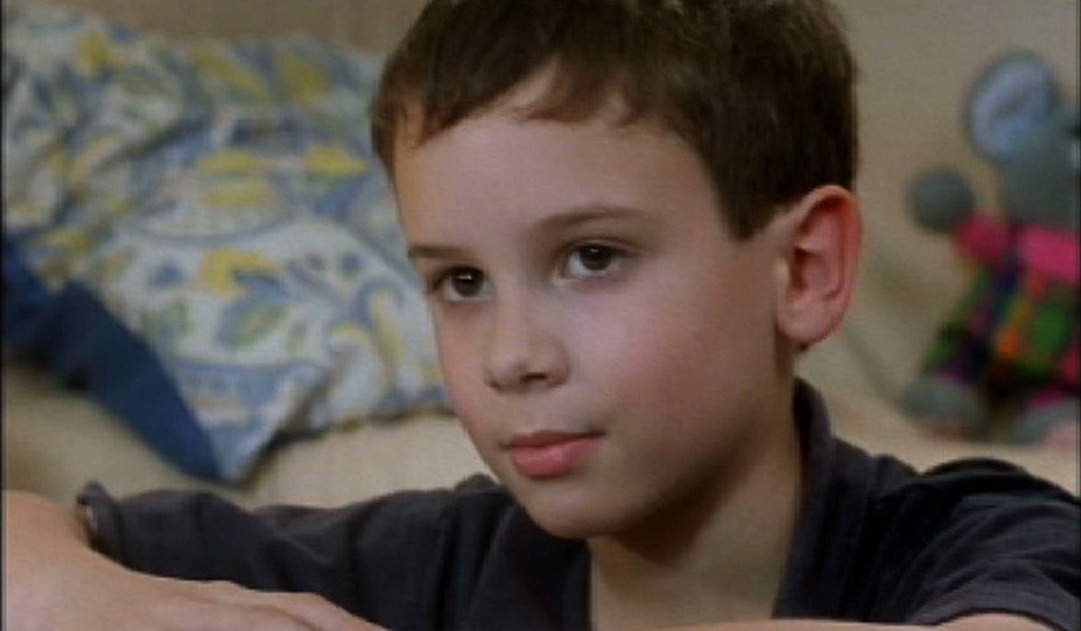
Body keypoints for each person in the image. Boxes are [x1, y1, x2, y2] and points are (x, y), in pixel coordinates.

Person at [4, 1, 1078, 630]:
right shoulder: (433, 558)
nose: (511, 357)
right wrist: (92, 599)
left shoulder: (981, 534)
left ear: (803, 269)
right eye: (460, 282)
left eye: (591, 257)